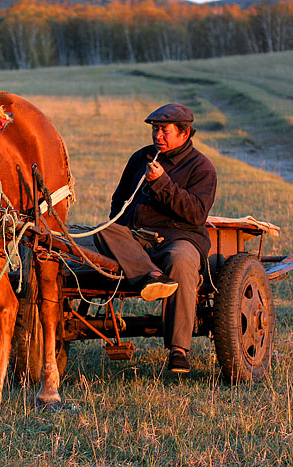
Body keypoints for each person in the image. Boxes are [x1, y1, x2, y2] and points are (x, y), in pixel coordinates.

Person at [94, 103, 217, 373]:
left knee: (181, 260)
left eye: (164, 130)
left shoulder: (201, 167)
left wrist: (162, 183)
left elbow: (196, 214)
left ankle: (178, 350)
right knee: (104, 229)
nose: (157, 136)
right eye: (155, 129)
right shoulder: (141, 158)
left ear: (184, 134)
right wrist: (122, 229)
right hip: (137, 238)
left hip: (178, 237)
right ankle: (152, 276)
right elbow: (119, 200)